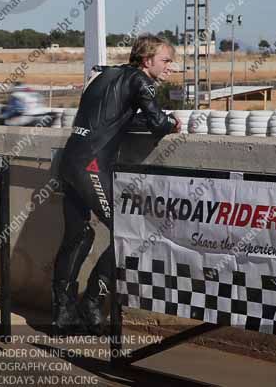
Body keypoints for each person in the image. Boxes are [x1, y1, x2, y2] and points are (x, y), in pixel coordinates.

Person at [51, 35, 180, 335]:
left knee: (78, 236)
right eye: (166, 60)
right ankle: (92, 304)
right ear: (148, 61)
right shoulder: (140, 80)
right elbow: (158, 124)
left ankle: (63, 315)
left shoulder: (106, 74)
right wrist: (173, 122)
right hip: (92, 167)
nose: (170, 67)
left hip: (71, 160)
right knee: (128, 234)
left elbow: (110, 119)